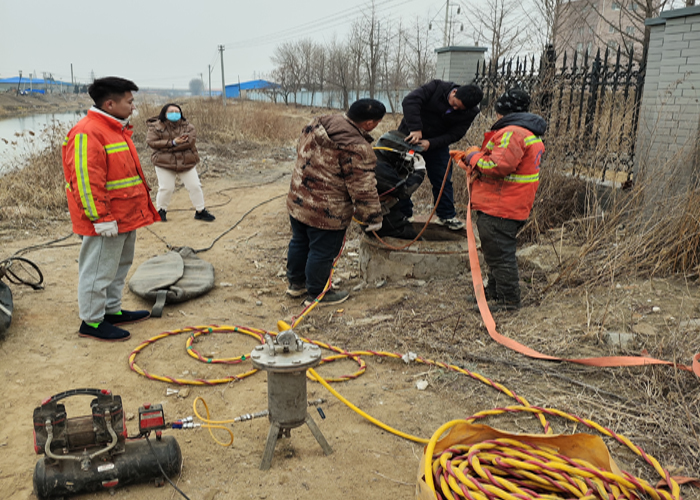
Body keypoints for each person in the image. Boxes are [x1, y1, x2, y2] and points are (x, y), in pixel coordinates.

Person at [62, 76, 158, 341]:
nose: (133, 106)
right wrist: (100, 218)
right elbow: (86, 181)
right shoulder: (88, 132)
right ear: (110, 104)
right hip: (105, 220)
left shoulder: (116, 129)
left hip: (124, 216)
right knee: (98, 271)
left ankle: (111, 310)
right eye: (130, 102)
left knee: (119, 266)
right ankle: (92, 321)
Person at [286, 99, 385, 306]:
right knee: (322, 251)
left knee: (299, 241)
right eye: (377, 122)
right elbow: (363, 187)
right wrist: (372, 218)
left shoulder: (318, 123)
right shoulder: (357, 147)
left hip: (298, 200)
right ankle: (318, 294)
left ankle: (296, 284)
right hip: (327, 212)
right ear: (369, 123)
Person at [461, 88, 547, 311]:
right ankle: (494, 292)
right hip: (511, 205)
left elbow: (497, 166)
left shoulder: (512, 133)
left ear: (503, 111)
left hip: (500, 207)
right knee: (495, 252)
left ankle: (509, 300)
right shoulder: (528, 132)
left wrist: (473, 157)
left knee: (500, 255)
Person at [398, 80, 483, 230]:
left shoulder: (470, 112)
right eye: (454, 104)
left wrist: (430, 143)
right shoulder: (437, 87)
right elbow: (410, 101)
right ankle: (402, 214)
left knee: (443, 179)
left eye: (459, 109)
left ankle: (446, 216)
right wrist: (415, 128)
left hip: (436, 144)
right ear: (454, 92)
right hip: (410, 138)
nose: (454, 109)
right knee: (402, 176)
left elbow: (455, 134)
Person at [146, 104, 215, 222]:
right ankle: (161, 211)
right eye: (171, 111)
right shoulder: (155, 127)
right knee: (166, 188)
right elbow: (152, 142)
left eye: (177, 111)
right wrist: (173, 143)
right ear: (164, 113)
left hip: (186, 161)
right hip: (164, 163)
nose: (174, 114)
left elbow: (190, 142)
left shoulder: (188, 127)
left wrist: (166, 147)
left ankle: (200, 211)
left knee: (195, 186)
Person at [372, 130, 426, 239]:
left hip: (380, 210)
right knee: (415, 239)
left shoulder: (378, 158)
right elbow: (404, 191)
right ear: (394, 155)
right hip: (380, 216)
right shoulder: (380, 169)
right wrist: (419, 172)